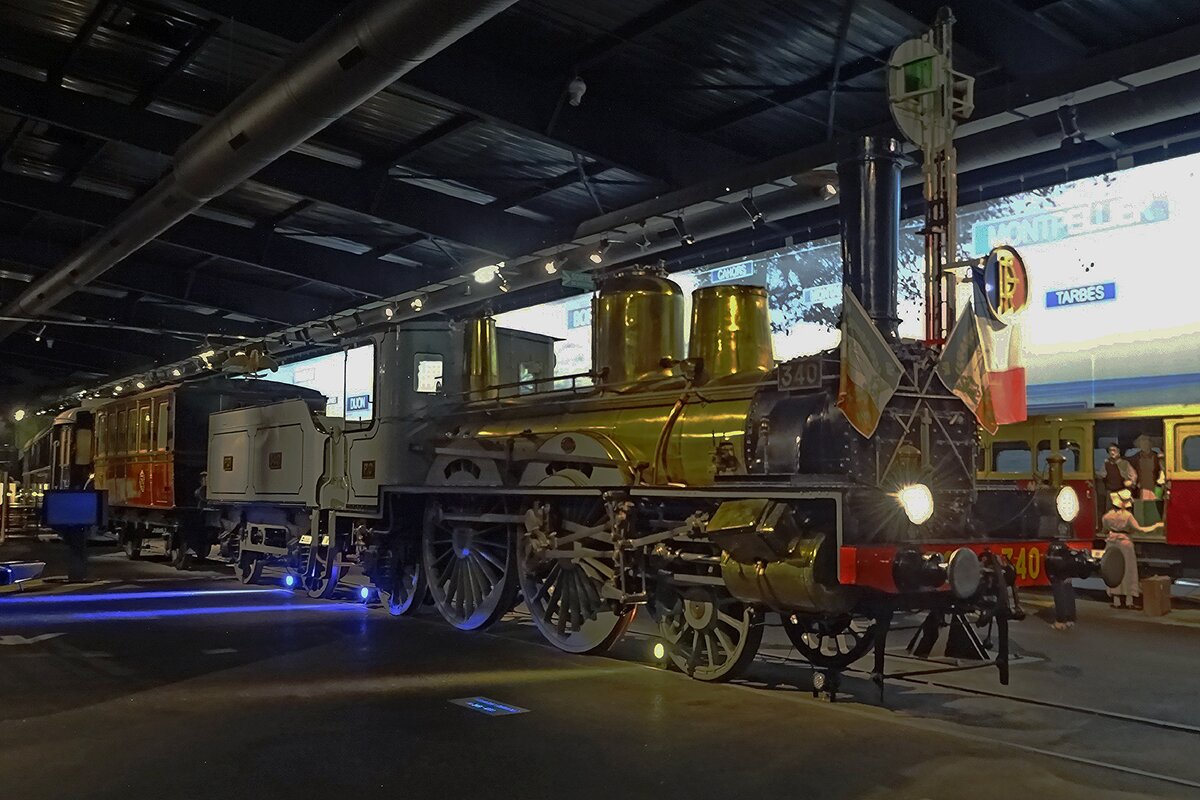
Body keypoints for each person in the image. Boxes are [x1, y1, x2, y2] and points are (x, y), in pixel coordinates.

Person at [1100, 489, 1161, 609]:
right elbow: (1141, 529)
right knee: (1129, 570)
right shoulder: (1128, 516)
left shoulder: (1107, 516)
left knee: (1114, 571)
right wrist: (1156, 526)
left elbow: (1104, 530)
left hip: (1111, 543)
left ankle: (1116, 601)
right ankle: (1129, 601)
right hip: (1125, 544)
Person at [1130, 435, 1165, 501]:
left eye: (1146, 441)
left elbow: (1162, 470)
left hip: (1155, 488)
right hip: (1142, 489)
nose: (1144, 444)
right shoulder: (1135, 458)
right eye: (1141, 442)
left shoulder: (1156, 457)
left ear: (1150, 444)